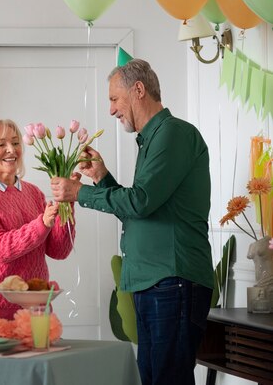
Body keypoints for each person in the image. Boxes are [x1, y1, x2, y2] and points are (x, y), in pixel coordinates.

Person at [50, 59, 214, 385]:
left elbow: (140, 202)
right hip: (155, 282)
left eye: (114, 98)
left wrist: (79, 193)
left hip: (173, 279)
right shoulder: (153, 140)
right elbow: (142, 210)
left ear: (138, 90)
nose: (111, 110)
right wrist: (102, 178)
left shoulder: (174, 134)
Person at [0, 119, 75, 319]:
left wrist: (67, 203)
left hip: (35, 309)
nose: (11, 150)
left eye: (15, 143)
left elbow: (59, 250)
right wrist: (42, 223)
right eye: (1, 144)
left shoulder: (33, 192)